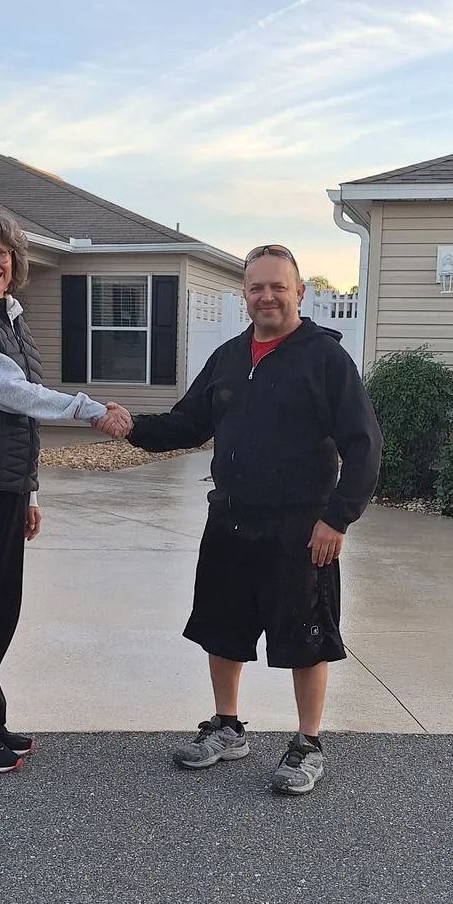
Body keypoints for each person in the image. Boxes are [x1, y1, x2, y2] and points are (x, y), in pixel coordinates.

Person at [107, 244, 382, 795]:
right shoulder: (230, 356)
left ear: (299, 292)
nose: (267, 296)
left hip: (301, 529)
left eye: (279, 286)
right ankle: (227, 727)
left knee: (307, 637)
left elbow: (365, 445)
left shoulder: (325, 359)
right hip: (230, 521)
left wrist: (337, 519)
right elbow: (188, 424)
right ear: (245, 295)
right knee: (222, 628)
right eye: (257, 287)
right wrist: (130, 426)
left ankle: (307, 743)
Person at [0, 209, 129, 773]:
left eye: (2, 254)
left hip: (6, 482)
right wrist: (88, 409)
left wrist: (31, 491)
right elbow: (6, 390)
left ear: (15, 262)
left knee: (1, 609)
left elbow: (23, 416)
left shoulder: (11, 315)